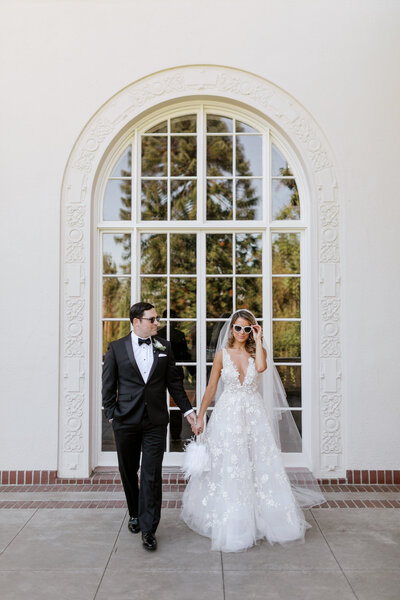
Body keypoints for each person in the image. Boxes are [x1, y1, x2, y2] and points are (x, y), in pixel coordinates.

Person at [182, 309, 325, 552]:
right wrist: (202, 415)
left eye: (246, 328)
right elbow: (211, 386)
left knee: (257, 461)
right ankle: (234, 519)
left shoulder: (256, 352)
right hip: (228, 413)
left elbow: (260, 367)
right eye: (237, 327)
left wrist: (258, 341)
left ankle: (261, 516)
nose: (241, 332)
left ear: (252, 330)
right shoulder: (221, 355)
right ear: (231, 329)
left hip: (253, 414)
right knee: (229, 462)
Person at [102, 302, 196, 552]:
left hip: (155, 421)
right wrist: (113, 415)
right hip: (126, 421)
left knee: (152, 474)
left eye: (157, 319)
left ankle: (149, 528)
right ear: (136, 322)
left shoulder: (164, 346)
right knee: (129, 470)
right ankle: (134, 512)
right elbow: (108, 387)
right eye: (152, 319)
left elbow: (174, 383)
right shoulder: (116, 348)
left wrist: (188, 411)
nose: (157, 323)